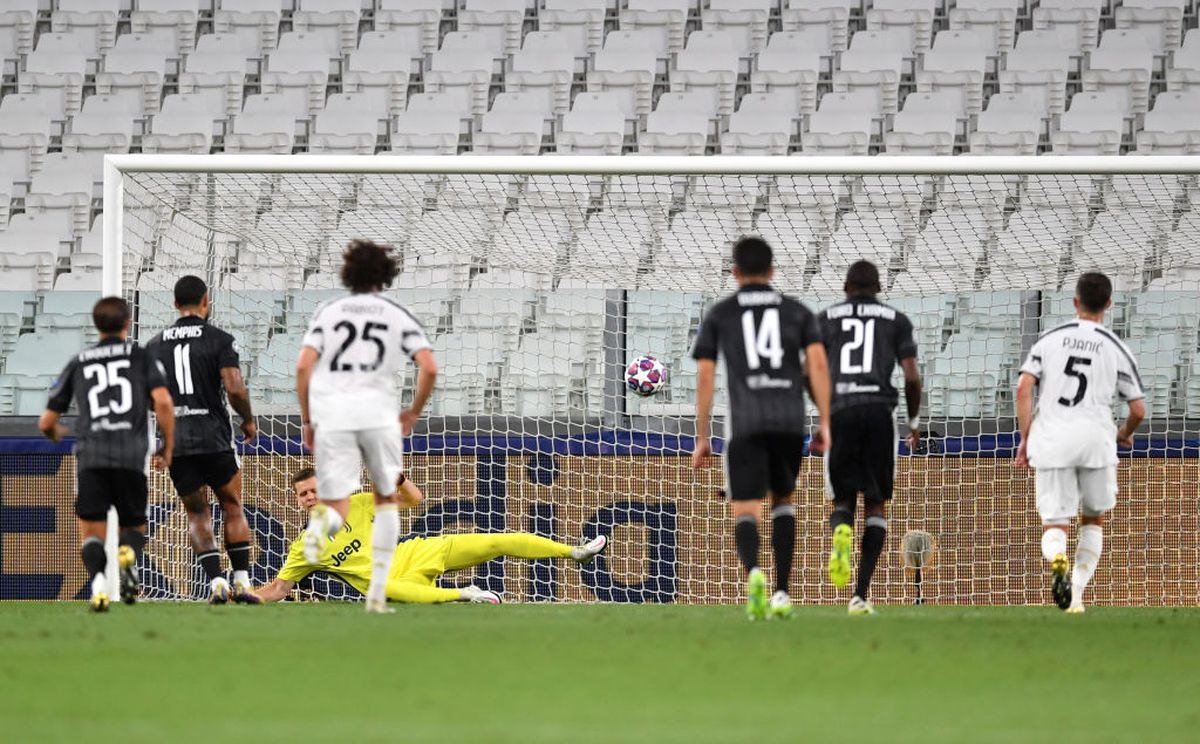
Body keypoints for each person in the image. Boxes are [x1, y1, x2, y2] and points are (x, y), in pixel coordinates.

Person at [690, 236, 832, 621]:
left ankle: (754, 573)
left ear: (734, 272)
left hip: (746, 422)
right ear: (772, 271)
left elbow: (705, 375)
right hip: (788, 420)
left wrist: (702, 437)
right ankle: (783, 592)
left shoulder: (720, 314)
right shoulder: (797, 312)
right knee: (783, 501)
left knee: (745, 508)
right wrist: (826, 422)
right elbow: (818, 367)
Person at [296, 239, 438, 613]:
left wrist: (308, 420)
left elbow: (302, 367)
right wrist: (413, 411)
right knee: (386, 500)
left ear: (347, 274)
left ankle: (318, 532)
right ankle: (377, 592)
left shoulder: (330, 312)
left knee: (338, 501)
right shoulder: (394, 314)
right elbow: (429, 366)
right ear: (385, 276)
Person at [253, 468, 609, 603]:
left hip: (413, 553)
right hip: (390, 582)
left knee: (493, 541)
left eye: (315, 490)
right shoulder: (305, 547)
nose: (310, 497)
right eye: (303, 494)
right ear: (299, 503)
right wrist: (243, 596)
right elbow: (278, 589)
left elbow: (415, 500)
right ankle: (464, 594)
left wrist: (399, 478)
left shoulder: (358, 504)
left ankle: (573, 552)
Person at [1015, 272, 1145, 614]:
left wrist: (1026, 437)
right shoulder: (1116, 346)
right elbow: (1138, 409)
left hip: (1052, 438)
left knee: (1055, 524)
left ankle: (1058, 558)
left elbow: (1023, 388)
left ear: (1075, 302)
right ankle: (1076, 596)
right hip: (1095, 440)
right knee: (1093, 519)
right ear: (1109, 304)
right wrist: (1124, 433)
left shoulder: (1049, 339)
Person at [39, 297, 175, 612]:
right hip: (131, 454)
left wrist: (55, 433)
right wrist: (167, 445)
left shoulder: (80, 361)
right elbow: (165, 403)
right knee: (132, 527)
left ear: (96, 324)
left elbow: (46, 421)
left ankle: (99, 583)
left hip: (92, 454)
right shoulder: (141, 357)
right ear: (128, 323)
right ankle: (128, 556)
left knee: (92, 530)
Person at [146, 275, 260, 604]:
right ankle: (241, 582)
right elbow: (235, 387)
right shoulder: (219, 339)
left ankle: (216, 583)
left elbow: (149, 397)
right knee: (233, 506)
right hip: (214, 437)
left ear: (174, 304)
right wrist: (248, 420)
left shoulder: (154, 345)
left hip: (178, 442)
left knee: (197, 515)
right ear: (206, 301)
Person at [817, 260, 922, 616]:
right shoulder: (896, 320)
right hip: (879, 412)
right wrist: (914, 421)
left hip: (841, 410)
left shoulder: (826, 318)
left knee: (842, 502)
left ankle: (840, 538)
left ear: (846, 288)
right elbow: (910, 376)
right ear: (878, 289)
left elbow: (807, 369)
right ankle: (859, 596)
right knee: (876, 504)